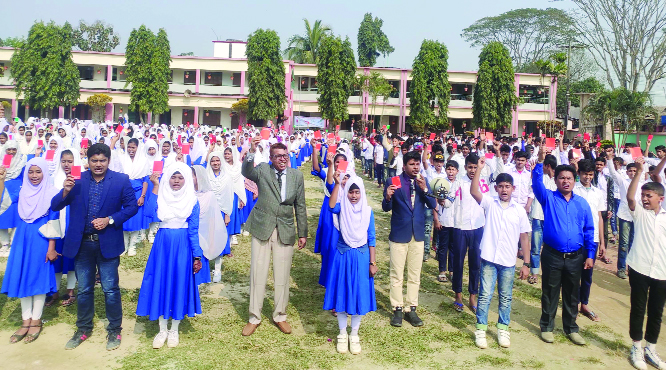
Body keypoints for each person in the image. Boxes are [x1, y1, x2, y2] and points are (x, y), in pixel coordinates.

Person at [51, 143, 138, 351]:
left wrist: (109, 219)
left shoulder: (120, 180)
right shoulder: (77, 180)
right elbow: (55, 206)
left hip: (107, 243)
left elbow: (132, 207)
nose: (98, 164)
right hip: (82, 244)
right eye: (94, 160)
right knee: (84, 289)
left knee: (110, 289)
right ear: (87, 161)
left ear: (108, 161)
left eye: (102, 160)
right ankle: (83, 329)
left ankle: (114, 329)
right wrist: (65, 190)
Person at [240, 138, 308, 337]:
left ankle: (280, 315)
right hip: (262, 227)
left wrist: (303, 232)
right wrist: (251, 151)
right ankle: (254, 317)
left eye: (285, 156)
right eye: (278, 156)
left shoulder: (297, 176)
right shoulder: (262, 170)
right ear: (270, 158)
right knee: (257, 273)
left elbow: (301, 206)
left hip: (285, 229)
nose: (282, 159)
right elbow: (246, 171)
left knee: (282, 275)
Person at [532, 145, 596, 346]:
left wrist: (590, 254)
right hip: (552, 255)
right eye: (562, 178)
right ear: (555, 180)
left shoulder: (582, 204)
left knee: (571, 293)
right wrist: (541, 161)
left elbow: (589, 230)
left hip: (576, 256)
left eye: (569, 178)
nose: (566, 181)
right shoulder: (548, 198)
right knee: (550, 292)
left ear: (574, 179)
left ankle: (571, 328)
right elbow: (536, 184)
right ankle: (547, 326)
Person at [137, 163, 203, 349]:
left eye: (180, 177)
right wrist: (156, 186)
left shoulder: (192, 200)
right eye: (173, 177)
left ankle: (174, 328)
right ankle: (162, 328)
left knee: (179, 282)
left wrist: (196, 255)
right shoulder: (162, 196)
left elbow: (193, 230)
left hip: (182, 245)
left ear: (187, 180)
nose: (176, 181)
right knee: (161, 280)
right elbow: (149, 212)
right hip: (163, 244)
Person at [469, 159, 531, 349]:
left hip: (508, 261)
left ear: (513, 189)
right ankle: (481, 329)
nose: (504, 190)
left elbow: (524, 238)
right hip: (489, 258)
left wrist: (527, 264)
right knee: (485, 295)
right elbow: (474, 192)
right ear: (496, 188)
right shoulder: (490, 203)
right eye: (501, 187)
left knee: (505, 297)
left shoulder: (519, 211)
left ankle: (503, 328)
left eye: (508, 187)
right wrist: (479, 169)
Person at [1, 159, 61, 343]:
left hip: (41, 239)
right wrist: (1, 179)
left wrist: (51, 248)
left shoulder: (51, 193)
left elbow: (54, 220)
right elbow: (2, 201)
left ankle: (36, 320)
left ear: (44, 173)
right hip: (22, 239)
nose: (34, 176)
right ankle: (25, 321)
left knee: (38, 276)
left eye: (38, 172)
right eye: (31, 172)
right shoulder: (21, 191)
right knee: (22, 276)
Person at [382, 151, 437, 327]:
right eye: (412, 164)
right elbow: (385, 207)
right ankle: (397, 308)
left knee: (414, 274)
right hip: (399, 234)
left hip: (418, 234)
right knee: (396, 273)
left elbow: (433, 205)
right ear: (404, 165)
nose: (415, 167)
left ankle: (411, 308)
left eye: (417, 164)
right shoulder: (394, 181)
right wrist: (388, 196)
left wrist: (425, 190)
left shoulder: (423, 181)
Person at [325, 173, 377, 355]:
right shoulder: (342, 208)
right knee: (342, 293)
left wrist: (372, 262)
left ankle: (354, 334)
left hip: (362, 258)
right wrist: (338, 185)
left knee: (358, 295)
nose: (354, 196)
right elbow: (331, 206)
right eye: (350, 192)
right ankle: (341, 334)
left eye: (357, 192)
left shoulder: (368, 212)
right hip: (343, 255)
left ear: (362, 193)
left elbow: (371, 238)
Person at [625, 157, 666, 370]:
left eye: (649, 196)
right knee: (638, 309)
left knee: (656, 312)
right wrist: (640, 172)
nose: (644, 199)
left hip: (662, 271)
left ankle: (651, 348)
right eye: (643, 195)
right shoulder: (640, 213)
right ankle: (636, 347)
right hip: (639, 267)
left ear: (661, 198)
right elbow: (630, 197)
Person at [573, 159, 607, 322]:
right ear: (579, 174)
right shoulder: (574, 190)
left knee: (588, 273)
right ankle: (572, 303)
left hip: (591, 240)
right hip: (575, 237)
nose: (587, 177)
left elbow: (599, 217)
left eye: (590, 174)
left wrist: (602, 242)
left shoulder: (598, 193)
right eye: (585, 174)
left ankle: (584, 304)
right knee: (573, 272)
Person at [191, 165, 227, 285]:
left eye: (193, 176)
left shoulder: (209, 195)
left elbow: (213, 215)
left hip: (205, 228)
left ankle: (211, 273)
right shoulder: (188, 194)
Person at [528, 154, 557, 284]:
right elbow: (532, 186)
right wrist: (533, 172)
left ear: (548, 166)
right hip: (538, 215)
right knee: (535, 246)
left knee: (551, 247)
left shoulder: (558, 179)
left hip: (551, 218)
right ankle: (534, 272)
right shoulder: (540, 176)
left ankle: (549, 271)